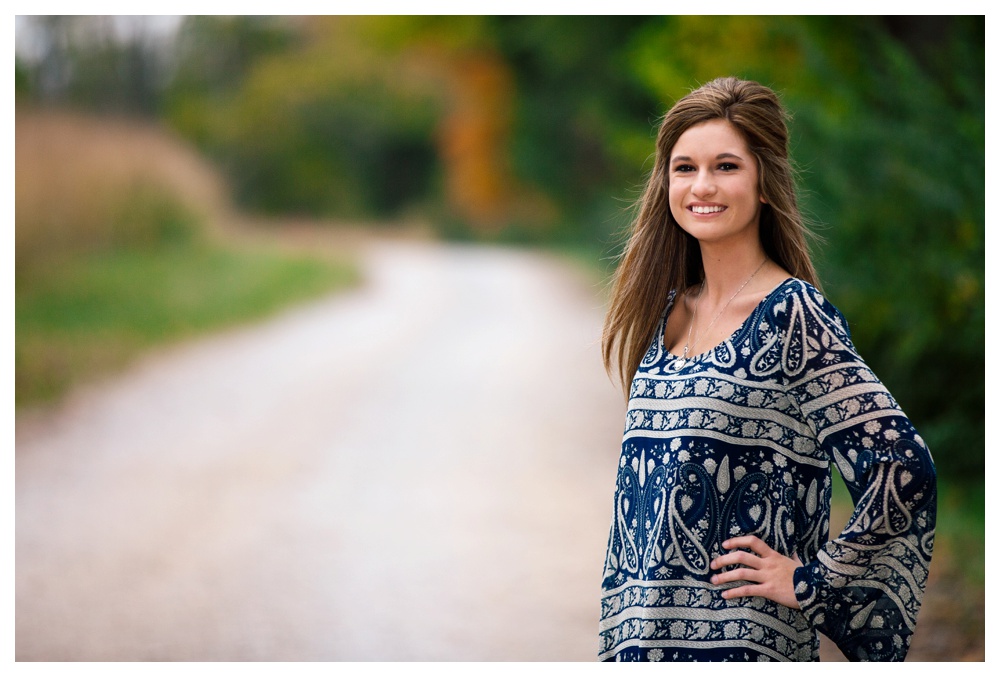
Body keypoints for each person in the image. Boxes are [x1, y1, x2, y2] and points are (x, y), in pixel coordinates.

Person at [598, 76, 937, 662]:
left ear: (763, 182)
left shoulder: (792, 316)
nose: (702, 186)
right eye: (685, 168)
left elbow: (903, 468)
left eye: (726, 166)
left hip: (744, 649)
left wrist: (811, 580)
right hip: (639, 647)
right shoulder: (665, 311)